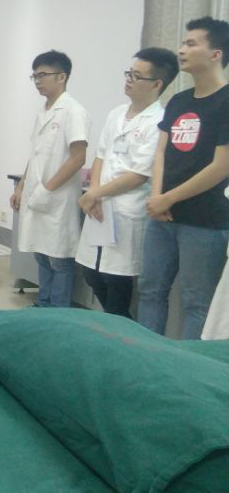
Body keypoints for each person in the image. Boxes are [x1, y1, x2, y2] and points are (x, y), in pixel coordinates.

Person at [139, 17, 229, 340]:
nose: (181, 50)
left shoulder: (226, 101)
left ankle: (187, 363)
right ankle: (146, 355)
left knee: (196, 303)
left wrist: (168, 198)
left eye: (191, 44)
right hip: (162, 215)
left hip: (205, 220)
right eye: (182, 43)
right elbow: (161, 152)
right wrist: (157, 197)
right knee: (150, 290)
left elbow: (221, 167)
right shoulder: (179, 101)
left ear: (216, 54)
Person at [76, 48, 177, 318]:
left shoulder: (159, 121)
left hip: (126, 209)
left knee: (116, 278)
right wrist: (94, 193)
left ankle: (118, 328)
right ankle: (118, 323)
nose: (129, 80)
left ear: (157, 84)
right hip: (99, 205)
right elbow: (100, 155)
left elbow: (139, 174)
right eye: (129, 73)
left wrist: (95, 194)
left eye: (137, 76)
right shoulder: (116, 114)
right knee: (91, 272)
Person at [10, 50, 89, 308]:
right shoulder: (43, 111)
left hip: (58, 197)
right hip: (37, 193)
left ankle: (57, 311)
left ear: (62, 77)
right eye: (34, 76)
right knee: (41, 255)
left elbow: (78, 158)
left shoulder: (74, 111)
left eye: (42, 75)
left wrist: (47, 189)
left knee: (59, 259)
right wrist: (21, 186)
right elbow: (35, 153)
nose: (37, 81)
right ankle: (42, 304)